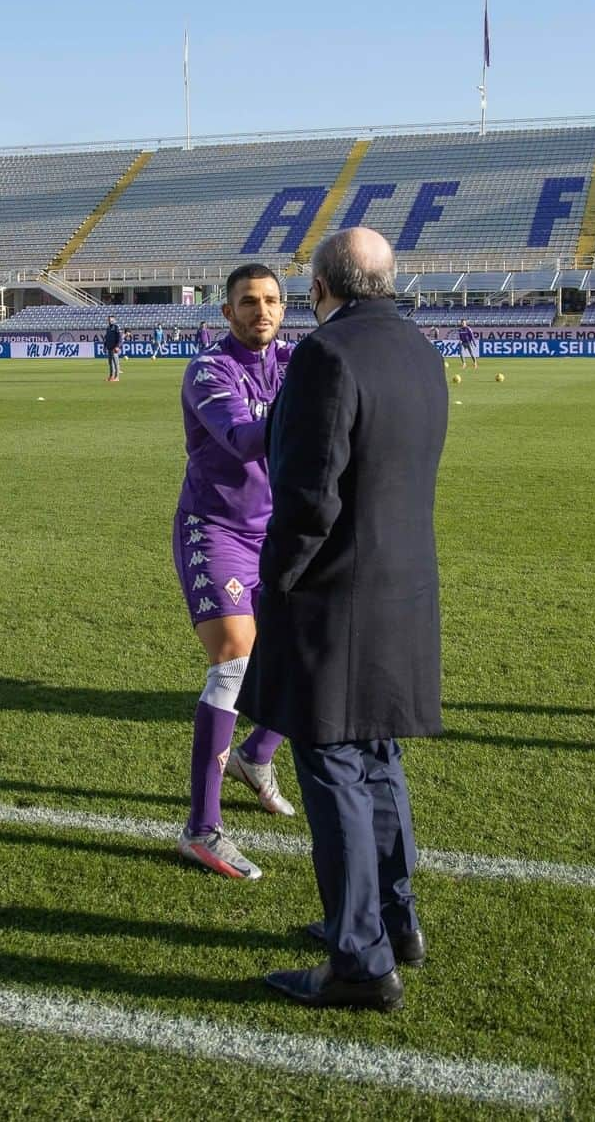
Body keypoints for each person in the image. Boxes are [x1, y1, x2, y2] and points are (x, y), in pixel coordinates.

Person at [239, 227, 448, 1010]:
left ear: (321, 288)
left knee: (332, 769)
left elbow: (307, 495)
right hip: (402, 593)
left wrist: (275, 579)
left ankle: (360, 957)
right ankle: (394, 923)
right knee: (378, 759)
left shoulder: (326, 358)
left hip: (334, 599)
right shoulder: (422, 351)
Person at [174, 264, 297, 880]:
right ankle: (201, 828)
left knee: (305, 648)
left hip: (276, 532)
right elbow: (245, 440)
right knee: (234, 657)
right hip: (214, 529)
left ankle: (256, 755)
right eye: (248, 302)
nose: (262, 311)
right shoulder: (209, 370)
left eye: (272, 301)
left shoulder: (295, 361)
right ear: (227, 312)